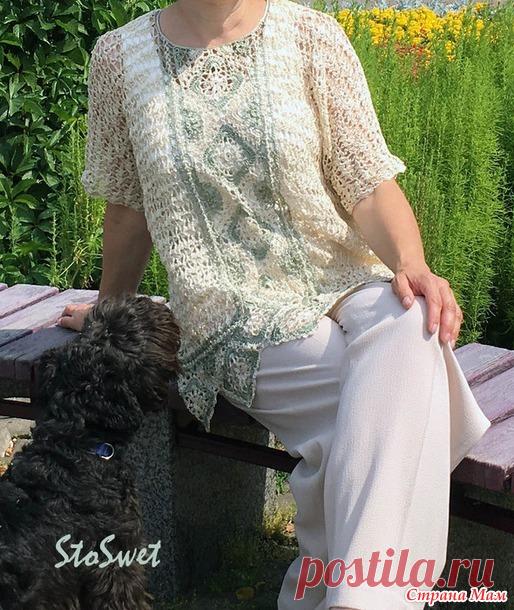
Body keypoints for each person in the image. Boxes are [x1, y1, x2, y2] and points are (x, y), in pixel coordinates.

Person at [58, 0, 491, 607]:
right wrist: (110, 313)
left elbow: (367, 180)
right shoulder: (120, 59)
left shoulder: (311, 36)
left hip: (342, 277)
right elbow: (128, 208)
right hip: (231, 310)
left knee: (411, 320)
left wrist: (412, 264)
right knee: (392, 406)